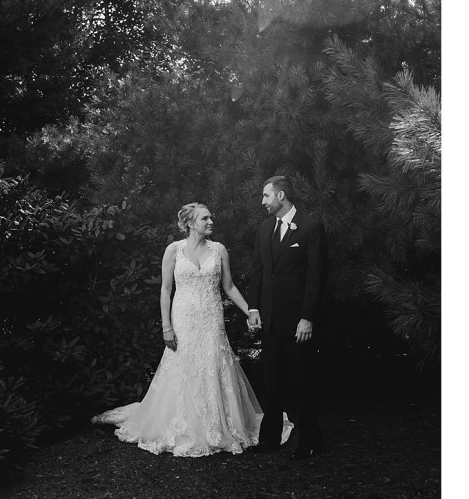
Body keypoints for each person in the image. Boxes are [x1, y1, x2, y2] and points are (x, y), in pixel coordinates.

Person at [93, 203, 282, 456]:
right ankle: (183, 425)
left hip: (211, 317)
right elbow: (165, 290)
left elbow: (229, 287)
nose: (211, 221)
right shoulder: (174, 250)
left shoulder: (219, 250)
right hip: (182, 319)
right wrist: (166, 327)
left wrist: (250, 310)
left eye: (211, 217)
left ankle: (216, 426)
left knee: (214, 364)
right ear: (191, 223)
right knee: (184, 368)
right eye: (205, 218)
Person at [248, 175, 328, 460]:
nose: (263, 202)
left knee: (304, 382)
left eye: (266, 196)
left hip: (297, 324)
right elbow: (259, 271)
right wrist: (254, 308)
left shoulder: (310, 227)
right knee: (272, 384)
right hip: (269, 321)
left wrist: (307, 317)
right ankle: (269, 439)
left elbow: (316, 278)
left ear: (281, 196)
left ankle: (310, 440)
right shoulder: (265, 228)